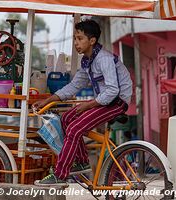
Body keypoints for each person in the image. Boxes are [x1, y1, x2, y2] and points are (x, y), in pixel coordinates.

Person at [33, 20, 132, 186]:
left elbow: (113, 90)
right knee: (66, 119)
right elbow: (74, 85)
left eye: (80, 39)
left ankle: (60, 174)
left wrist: (87, 105)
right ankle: (82, 162)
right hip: (104, 101)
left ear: (92, 41)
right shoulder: (87, 61)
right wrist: (48, 100)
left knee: (74, 128)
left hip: (117, 102)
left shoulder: (104, 59)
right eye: (75, 38)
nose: (76, 43)